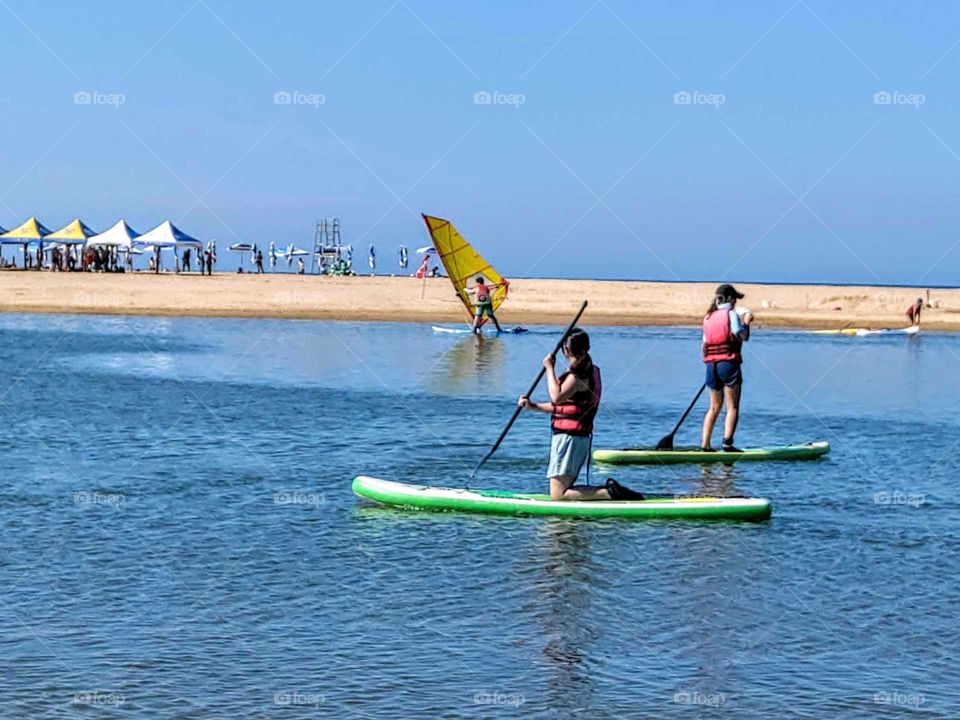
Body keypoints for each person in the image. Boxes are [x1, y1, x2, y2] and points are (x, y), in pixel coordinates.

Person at [519, 329, 643, 501]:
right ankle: (607, 493)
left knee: (558, 495)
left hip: (569, 439)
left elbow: (556, 397)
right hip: (578, 438)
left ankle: (609, 493)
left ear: (567, 351)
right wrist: (533, 406)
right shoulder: (593, 371)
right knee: (564, 490)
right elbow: (568, 408)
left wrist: (549, 368)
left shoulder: (577, 377)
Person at [701, 284, 752, 452]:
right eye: (735, 298)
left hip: (711, 366)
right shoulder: (731, 314)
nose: (736, 301)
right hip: (728, 365)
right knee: (733, 406)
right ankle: (727, 444)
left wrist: (711, 362)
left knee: (714, 407)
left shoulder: (708, 317)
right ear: (730, 299)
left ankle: (705, 446)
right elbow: (741, 335)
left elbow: (704, 345)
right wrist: (746, 322)